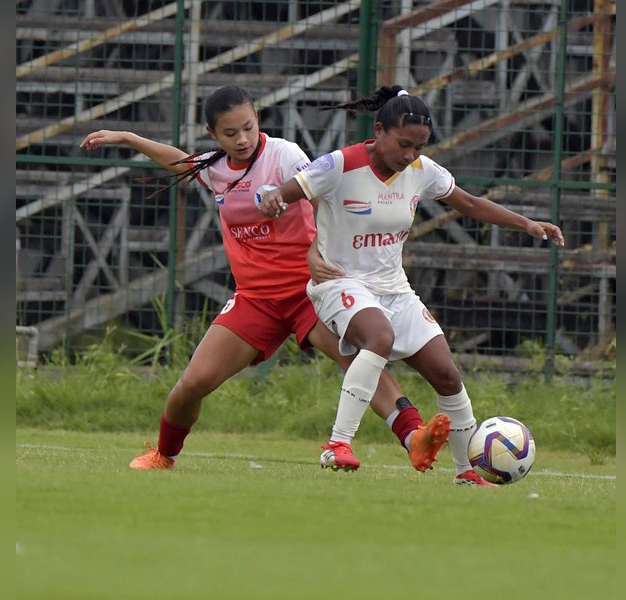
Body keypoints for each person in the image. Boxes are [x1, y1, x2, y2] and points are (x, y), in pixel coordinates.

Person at [80, 85, 450, 473]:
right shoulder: (217, 169)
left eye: (248, 127)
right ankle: (164, 454)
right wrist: (127, 138)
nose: (241, 139)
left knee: (359, 360)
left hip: (310, 290)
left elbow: (323, 196)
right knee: (192, 383)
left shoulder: (284, 154)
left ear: (257, 119)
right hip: (256, 299)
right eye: (229, 133)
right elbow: (181, 162)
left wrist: (313, 251)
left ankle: (415, 437)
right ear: (212, 134)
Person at [258, 85, 565, 486]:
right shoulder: (339, 164)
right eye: (403, 145)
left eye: (419, 148)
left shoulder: (422, 172)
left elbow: (469, 203)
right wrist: (270, 199)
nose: (410, 156)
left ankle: (465, 471)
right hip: (338, 283)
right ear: (380, 130)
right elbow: (281, 193)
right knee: (379, 337)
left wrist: (526, 223)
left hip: (395, 289)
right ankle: (338, 444)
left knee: (447, 373)